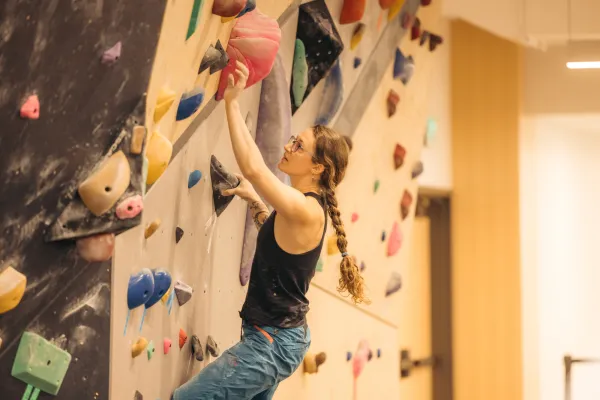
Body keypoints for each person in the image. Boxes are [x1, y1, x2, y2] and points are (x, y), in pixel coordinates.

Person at [172, 61, 368, 400]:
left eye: (299, 146)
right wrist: (255, 201)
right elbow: (280, 248)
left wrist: (232, 102)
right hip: (278, 340)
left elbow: (253, 165)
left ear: (318, 167)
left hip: (272, 344)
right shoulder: (302, 208)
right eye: (294, 139)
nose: (289, 146)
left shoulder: (307, 209)